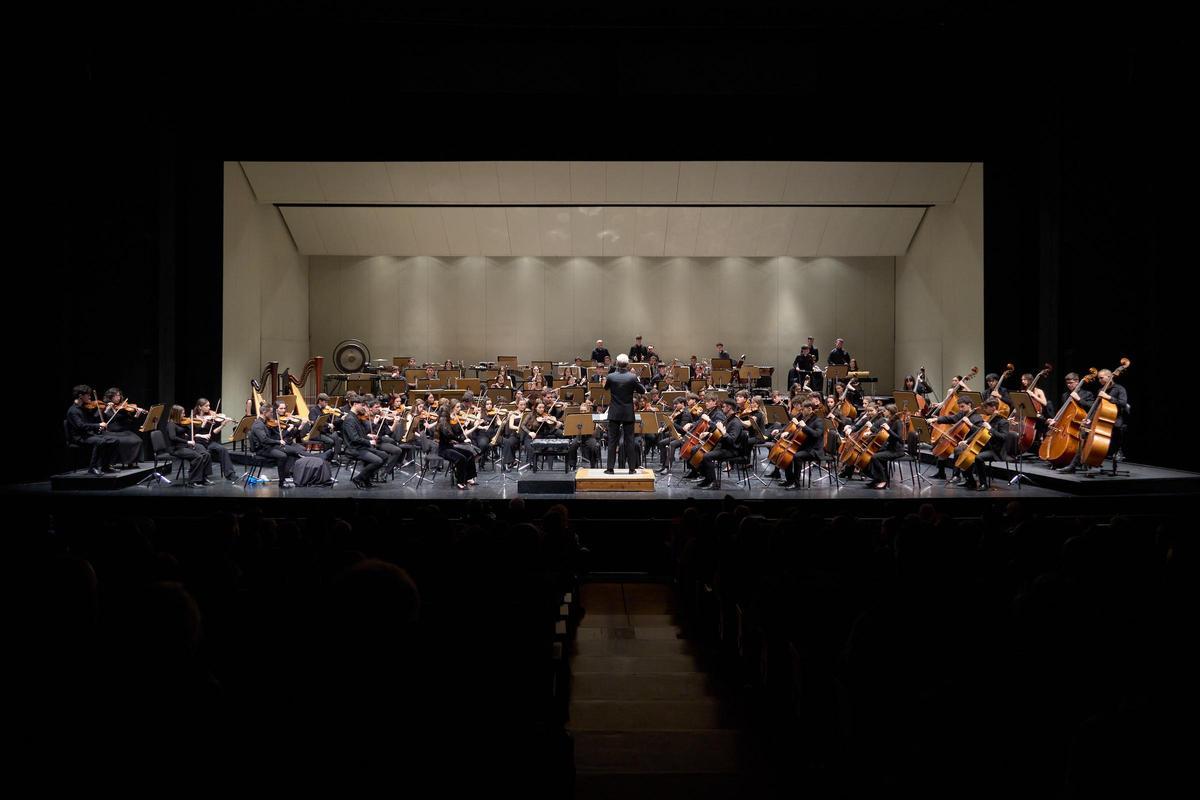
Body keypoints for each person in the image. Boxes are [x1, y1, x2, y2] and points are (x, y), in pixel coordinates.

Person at [603, 353, 643, 473]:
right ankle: (631, 469)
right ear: (627, 364)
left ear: (617, 363)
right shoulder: (632, 377)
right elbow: (642, 390)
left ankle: (610, 468)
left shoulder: (611, 377)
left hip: (614, 412)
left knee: (612, 440)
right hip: (627, 412)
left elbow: (605, 388)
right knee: (629, 440)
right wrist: (637, 380)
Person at [66, 384, 118, 475]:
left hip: (88, 434)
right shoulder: (73, 411)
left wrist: (99, 424)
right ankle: (92, 468)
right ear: (80, 396)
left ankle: (106, 466)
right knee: (100, 441)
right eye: (88, 395)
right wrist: (98, 425)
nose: (90, 397)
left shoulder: (83, 408)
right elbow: (81, 426)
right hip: (79, 437)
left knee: (114, 440)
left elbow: (91, 421)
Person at [696, 398, 745, 489]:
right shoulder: (728, 419)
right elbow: (721, 436)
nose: (722, 409)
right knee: (700, 450)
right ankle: (707, 478)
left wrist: (722, 430)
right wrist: (709, 434)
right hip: (724, 446)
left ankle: (714, 483)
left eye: (723, 407)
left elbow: (731, 440)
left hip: (732, 450)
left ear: (729, 407)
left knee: (707, 456)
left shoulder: (735, 422)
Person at [190, 397, 239, 482]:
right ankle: (203, 476)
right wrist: (203, 424)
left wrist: (222, 425)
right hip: (198, 443)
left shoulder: (211, 417)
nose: (209, 408)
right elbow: (193, 434)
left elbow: (213, 432)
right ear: (200, 407)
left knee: (223, 449)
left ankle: (230, 474)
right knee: (205, 454)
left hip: (209, 442)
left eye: (209, 406)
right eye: (207, 406)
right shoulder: (193, 418)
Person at [338, 397, 383, 489]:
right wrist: (369, 441)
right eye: (362, 405)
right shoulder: (350, 419)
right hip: (353, 449)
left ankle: (366, 479)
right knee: (378, 461)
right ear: (355, 404)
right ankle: (359, 478)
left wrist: (369, 436)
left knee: (384, 456)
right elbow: (354, 438)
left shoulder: (355, 417)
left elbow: (360, 435)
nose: (364, 407)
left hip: (360, 446)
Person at [165, 405, 213, 485]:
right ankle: (193, 481)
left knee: (206, 454)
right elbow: (172, 437)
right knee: (198, 457)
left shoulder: (182, 423)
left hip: (185, 446)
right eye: (182, 413)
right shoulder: (171, 424)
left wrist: (190, 426)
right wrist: (187, 442)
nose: (184, 415)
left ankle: (203, 478)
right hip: (176, 448)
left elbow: (191, 433)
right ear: (176, 414)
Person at [99, 387, 146, 468]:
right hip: (110, 432)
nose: (118, 397)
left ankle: (131, 462)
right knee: (121, 442)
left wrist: (136, 415)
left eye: (119, 395)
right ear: (110, 397)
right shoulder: (104, 407)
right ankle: (111, 463)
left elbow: (129, 422)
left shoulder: (123, 408)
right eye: (116, 396)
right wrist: (106, 410)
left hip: (123, 432)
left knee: (138, 440)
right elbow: (100, 419)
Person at [438, 405, 478, 489]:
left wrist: (465, 427)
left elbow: (455, 434)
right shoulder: (442, 423)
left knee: (469, 454)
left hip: (450, 447)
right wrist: (461, 441)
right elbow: (449, 436)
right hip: (444, 450)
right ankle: (460, 481)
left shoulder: (447, 422)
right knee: (461, 458)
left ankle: (469, 477)